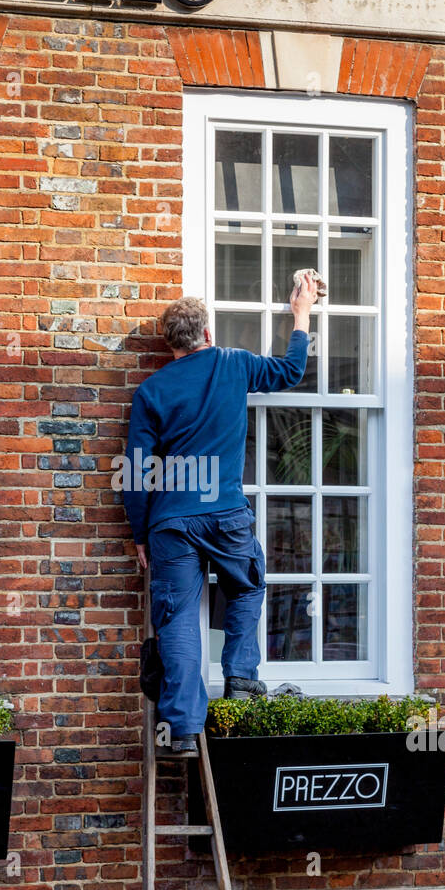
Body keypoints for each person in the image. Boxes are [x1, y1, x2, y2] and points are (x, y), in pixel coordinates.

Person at [122, 269, 327, 753]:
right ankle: (239, 677)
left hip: (170, 521)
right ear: (208, 334)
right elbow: (289, 371)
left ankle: (184, 730)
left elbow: (135, 472)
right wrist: (301, 314)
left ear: (169, 344)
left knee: (175, 620)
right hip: (226, 514)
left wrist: (139, 534)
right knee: (246, 584)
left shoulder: (151, 391)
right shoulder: (233, 364)